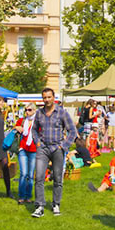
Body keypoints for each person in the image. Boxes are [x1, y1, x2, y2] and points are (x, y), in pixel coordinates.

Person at [31, 87, 77, 218]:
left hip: (57, 148)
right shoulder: (39, 113)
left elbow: (72, 131)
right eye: (44, 97)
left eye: (49, 97)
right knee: (39, 177)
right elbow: (34, 130)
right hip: (43, 148)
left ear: (53, 97)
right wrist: (37, 142)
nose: (46, 100)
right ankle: (39, 206)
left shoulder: (62, 112)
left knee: (57, 178)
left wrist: (64, 146)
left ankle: (56, 204)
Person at [14, 103, 37, 204]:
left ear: (35, 111)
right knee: (23, 173)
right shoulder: (22, 121)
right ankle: (21, 196)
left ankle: (28, 196)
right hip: (23, 149)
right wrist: (16, 128)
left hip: (34, 150)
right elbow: (15, 127)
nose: (27, 112)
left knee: (31, 175)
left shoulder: (38, 121)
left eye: (30, 110)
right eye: (26, 110)